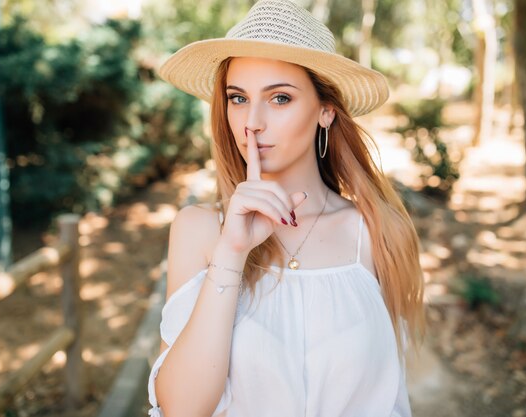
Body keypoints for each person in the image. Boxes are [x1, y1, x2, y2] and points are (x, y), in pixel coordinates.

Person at [147, 0, 425, 416]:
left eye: (279, 98)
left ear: (326, 111)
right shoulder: (200, 230)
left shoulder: (374, 232)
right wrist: (232, 253)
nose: (252, 122)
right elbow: (182, 409)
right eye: (237, 98)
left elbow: (389, 399)